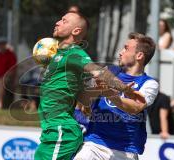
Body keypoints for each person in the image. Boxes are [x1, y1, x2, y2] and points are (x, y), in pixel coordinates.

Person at [34, 12, 144, 160]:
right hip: (52, 130)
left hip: (61, 130)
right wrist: (94, 92)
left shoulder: (75, 53)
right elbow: (80, 97)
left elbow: (98, 72)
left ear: (76, 31)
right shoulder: (58, 55)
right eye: (60, 19)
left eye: (64, 21)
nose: (58, 22)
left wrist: (124, 88)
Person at [74, 33, 159, 160]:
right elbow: (82, 103)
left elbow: (135, 107)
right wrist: (92, 94)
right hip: (94, 145)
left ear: (139, 55)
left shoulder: (149, 83)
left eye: (126, 48)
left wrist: (108, 92)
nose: (120, 52)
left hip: (125, 151)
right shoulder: (109, 72)